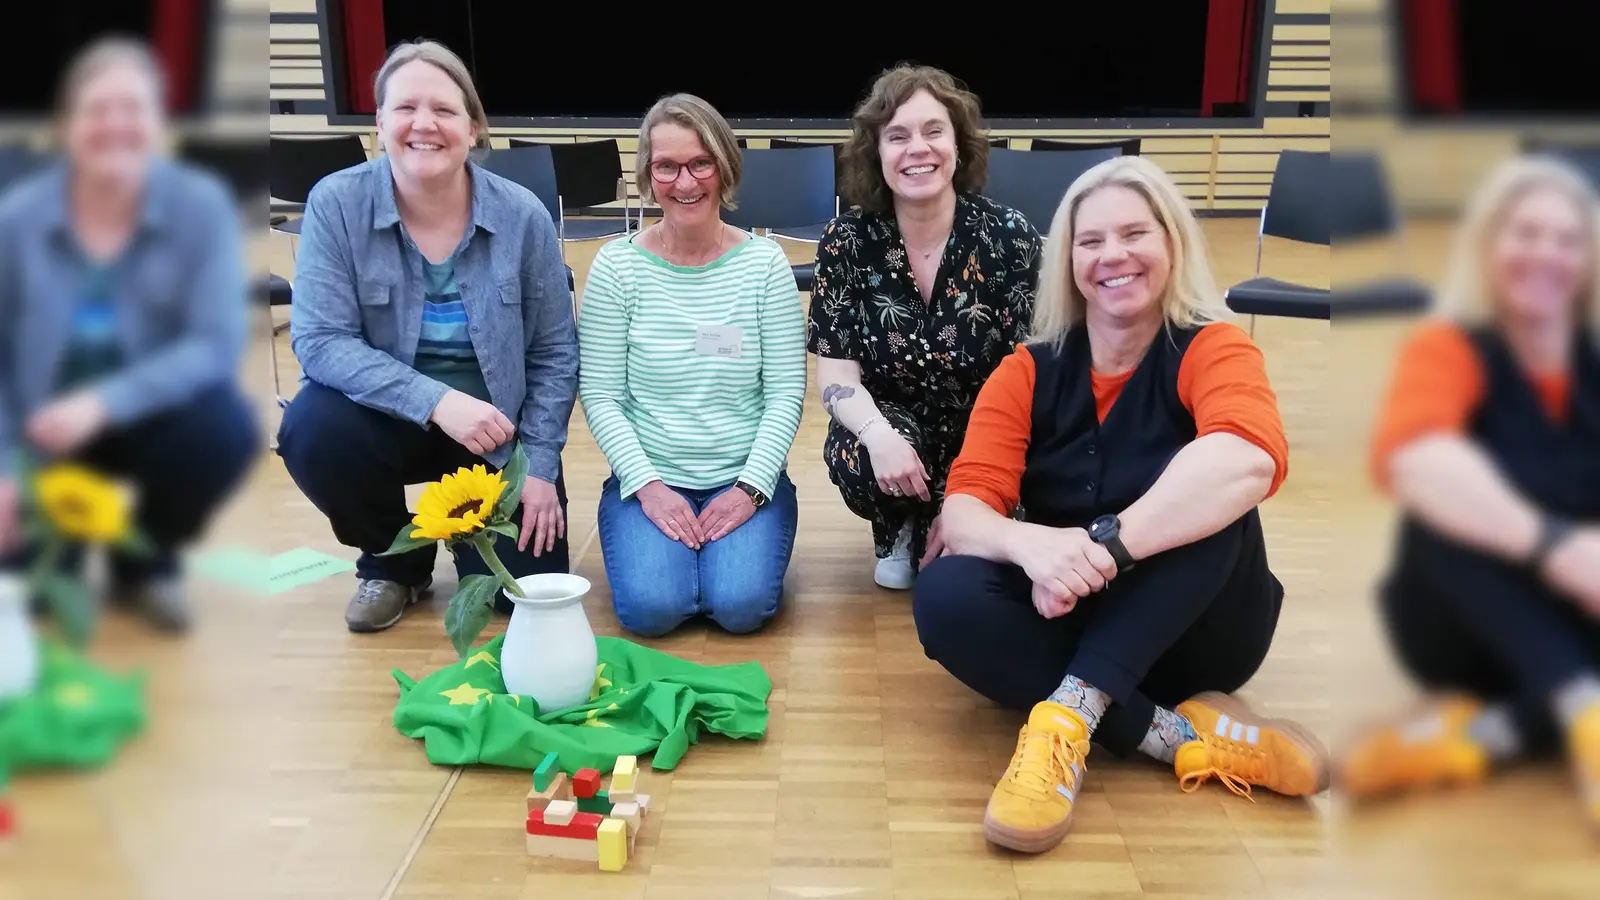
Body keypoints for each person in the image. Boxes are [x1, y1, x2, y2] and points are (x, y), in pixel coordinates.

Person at [912, 156, 1329, 854]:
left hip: (1201, 635)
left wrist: (1103, 547)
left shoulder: (1213, 346)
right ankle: (1174, 737)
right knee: (945, 593)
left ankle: (1065, 720)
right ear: (1068, 260)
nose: (1114, 256)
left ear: (1172, 243)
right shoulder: (1027, 369)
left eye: (1135, 234)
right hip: (1075, 621)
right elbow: (963, 513)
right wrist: (1032, 547)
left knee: (1208, 492)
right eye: (1091, 240)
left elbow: (1250, 458)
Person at [276, 40, 577, 633]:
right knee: (311, 430)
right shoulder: (336, 205)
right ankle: (395, 564)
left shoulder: (523, 216)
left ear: (472, 127)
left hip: (495, 436)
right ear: (381, 122)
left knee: (520, 597)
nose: (423, 124)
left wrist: (539, 467)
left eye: (442, 109)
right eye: (405, 107)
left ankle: (466, 547)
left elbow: (554, 353)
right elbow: (320, 341)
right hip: (384, 421)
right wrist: (437, 402)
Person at [1335, 156, 1600, 823]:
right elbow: (1416, 463)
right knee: (1446, 507)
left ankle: (1476, 738)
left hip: (1583, 613)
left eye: (1566, 240)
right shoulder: (1448, 348)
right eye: (1526, 234)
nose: (1546, 254)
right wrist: (1556, 546)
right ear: (1489, 246)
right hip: (1465, 624)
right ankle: (1584, 711)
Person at [0, 37, 256, 633]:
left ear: (158, 124)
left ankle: (143, 563)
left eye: (133, 109)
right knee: (29, 593)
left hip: (149, 421)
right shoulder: (16, 220)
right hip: (40, 435)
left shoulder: (201, 206)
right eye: (97, 110)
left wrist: (101, 403)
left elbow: (214, 344)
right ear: (65, 127)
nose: (115, 125)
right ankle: (56, 542)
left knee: (224, 428)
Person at [578, 94, 806, 637]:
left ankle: (724, 557)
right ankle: (680, 562)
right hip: (651, 478)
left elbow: (785, 394)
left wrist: (751, 488)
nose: (685, 182)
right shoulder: (616, 267)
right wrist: (648, 487)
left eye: (700, 162)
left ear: (723, 166)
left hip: (741, 475)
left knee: (741, 609)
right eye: (667, 166)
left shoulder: (764, 265)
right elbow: (603, 396)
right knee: (652, 613)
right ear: (648, 176)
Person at [809, 65, 1042, 590]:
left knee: (986, 560)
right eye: (898, 135)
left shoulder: (1009, 236)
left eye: (934, 131)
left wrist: (968, 501)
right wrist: (878, 436)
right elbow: (835, 374)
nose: (918, 148)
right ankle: (901, 523)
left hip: (986, 429)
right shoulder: (846, 240)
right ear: (878, 153)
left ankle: (958, 518)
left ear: (959, 144)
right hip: (894, 425)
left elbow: (1035, 372)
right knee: (856, 451)